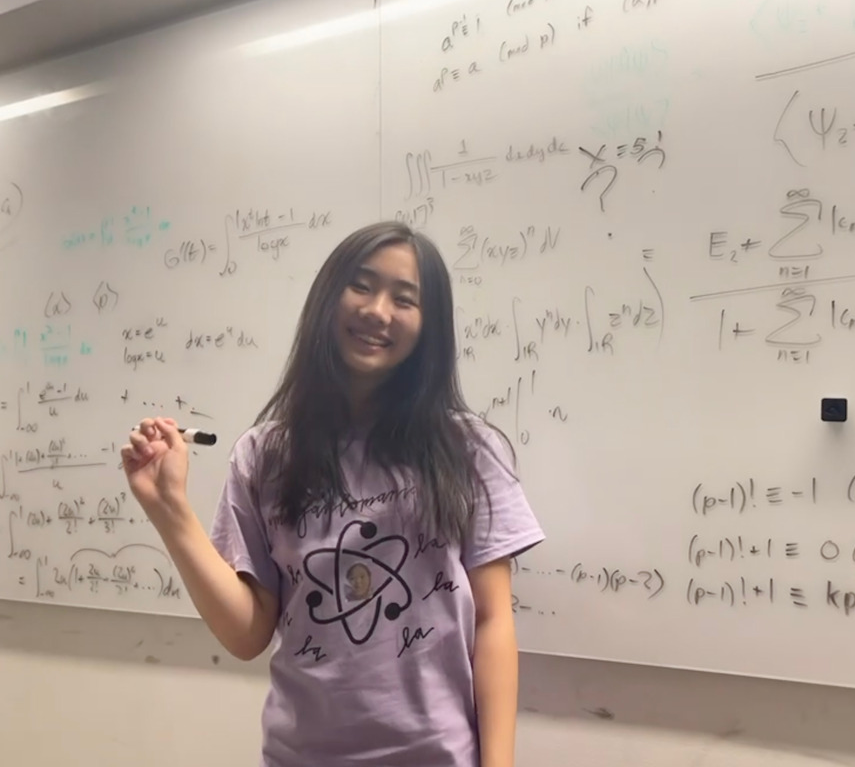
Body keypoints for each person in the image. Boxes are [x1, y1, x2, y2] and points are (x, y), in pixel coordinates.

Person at [121, 221, 545, 767]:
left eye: (405, 298)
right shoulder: (265, 454)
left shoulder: (468, 448)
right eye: (362, 285)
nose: (377, 311)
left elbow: (492, 622)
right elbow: (248, 634)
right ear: (328, 297)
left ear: (429, 325)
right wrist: (170, 512)